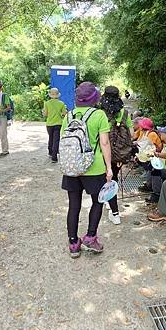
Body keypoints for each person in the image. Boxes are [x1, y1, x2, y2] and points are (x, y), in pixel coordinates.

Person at [61, 81, 113, 258]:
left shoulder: (69, 115)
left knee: (73, 205)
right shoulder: (99, 115)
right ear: (95, 98)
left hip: (73, 167)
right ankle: (91, 237)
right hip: (94, 167)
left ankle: (74, 243)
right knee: (98, 202)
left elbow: (64, 142)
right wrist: (109, 168)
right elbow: (104, 143)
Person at [99, 85, 133, 225]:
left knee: (106, 180)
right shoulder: (124, 112)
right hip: (119, 153)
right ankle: (111, 205)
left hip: (102, 153)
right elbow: (131, 134)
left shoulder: (99, 113)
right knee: (113, 179)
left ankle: (115, 213)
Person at [42, 87, 67, 163]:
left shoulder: (46, 103)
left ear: (50, 95)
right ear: (57, 95)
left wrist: (43, 112)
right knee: (56, 140)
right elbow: (64, 113)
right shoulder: (61, 103)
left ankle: (50, 152)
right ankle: (54, 157)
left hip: (49, 124)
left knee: (51, 138)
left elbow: (45, 114)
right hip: (58, 123)